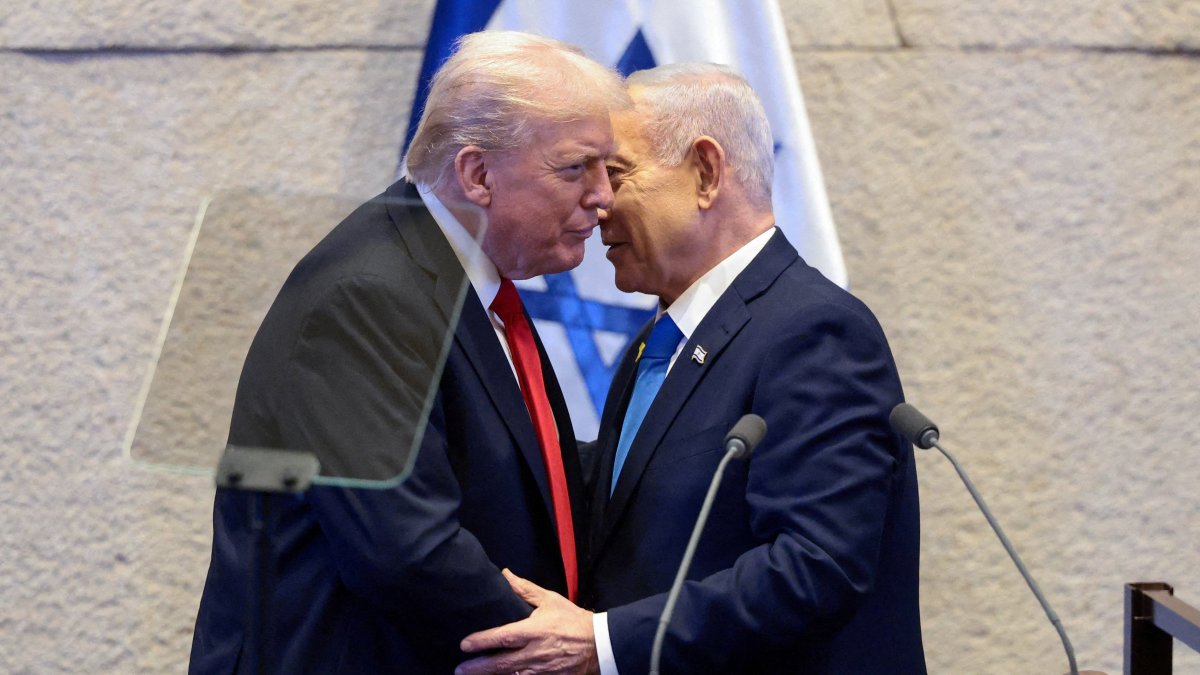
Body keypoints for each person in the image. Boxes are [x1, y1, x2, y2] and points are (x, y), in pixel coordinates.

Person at [456, 64, 926, 674]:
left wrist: (603, 644)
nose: (595, 203)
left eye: (616, 173)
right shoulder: (662, 340)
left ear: (705, 172)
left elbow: (816, 567)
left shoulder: (813, 332)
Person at [189, 31, 629, 674]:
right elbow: (405, 548)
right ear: (477, 174)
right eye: (575, 168)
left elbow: (512, 473)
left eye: (608, 169)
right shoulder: (370, 293)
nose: (603, 197)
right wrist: (555, 647)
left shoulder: (460, 274)